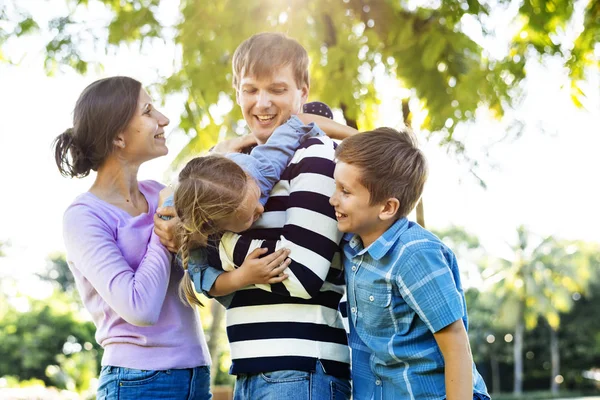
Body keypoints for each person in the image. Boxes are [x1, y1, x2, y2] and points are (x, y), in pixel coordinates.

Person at [154, 33, 352, 400]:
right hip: (252, 367)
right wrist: (179, 219)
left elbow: (301, 274)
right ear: (237, 92)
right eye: (250, 90)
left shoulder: (316, 154)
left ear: (302, 91)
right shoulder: (232, 168)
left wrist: (215, 241)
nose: (262, 103)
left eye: (277, 89)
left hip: (302, 365)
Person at [53, 76, 213, 400]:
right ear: (118, 137)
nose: (163, 120)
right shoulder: (83, 216)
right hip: (137, 382)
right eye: (148, 111)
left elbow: (205, 267)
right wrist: (163, 224)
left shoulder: (160, 193)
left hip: (196, 375)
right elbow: (140, 307)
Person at [329, 127, 491, 400]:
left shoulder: (414, 254)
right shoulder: (353, 244)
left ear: (387, 208)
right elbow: (306, 120)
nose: (333, 199)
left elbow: (456, 345)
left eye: (345, 191)